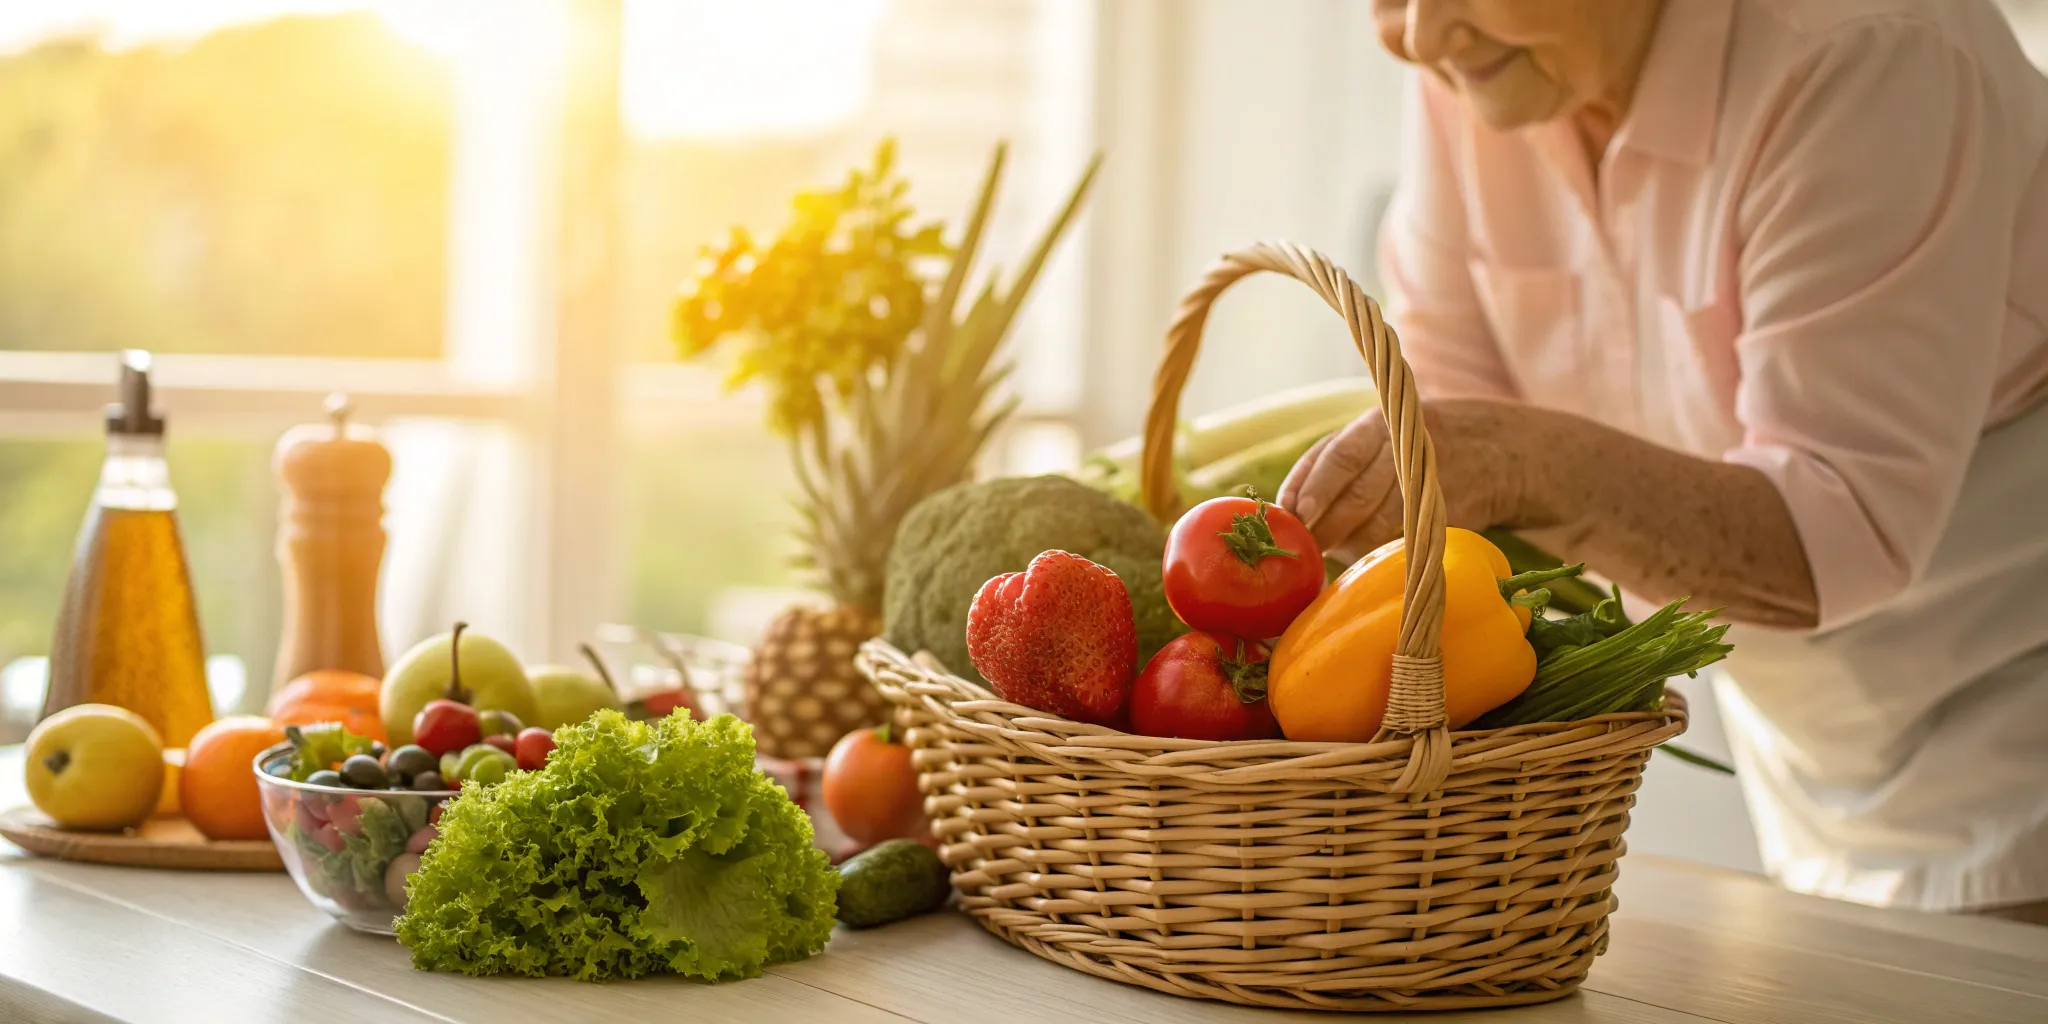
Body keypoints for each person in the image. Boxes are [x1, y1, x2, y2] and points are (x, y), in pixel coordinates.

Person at [1281, 0, 2048, 922]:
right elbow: (1450, 400)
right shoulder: (1479, 60)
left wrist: (1515, 461)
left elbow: (1830, 530)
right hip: (1810, 716)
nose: (1420, 34)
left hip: (2009, 678)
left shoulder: (1869, 49)